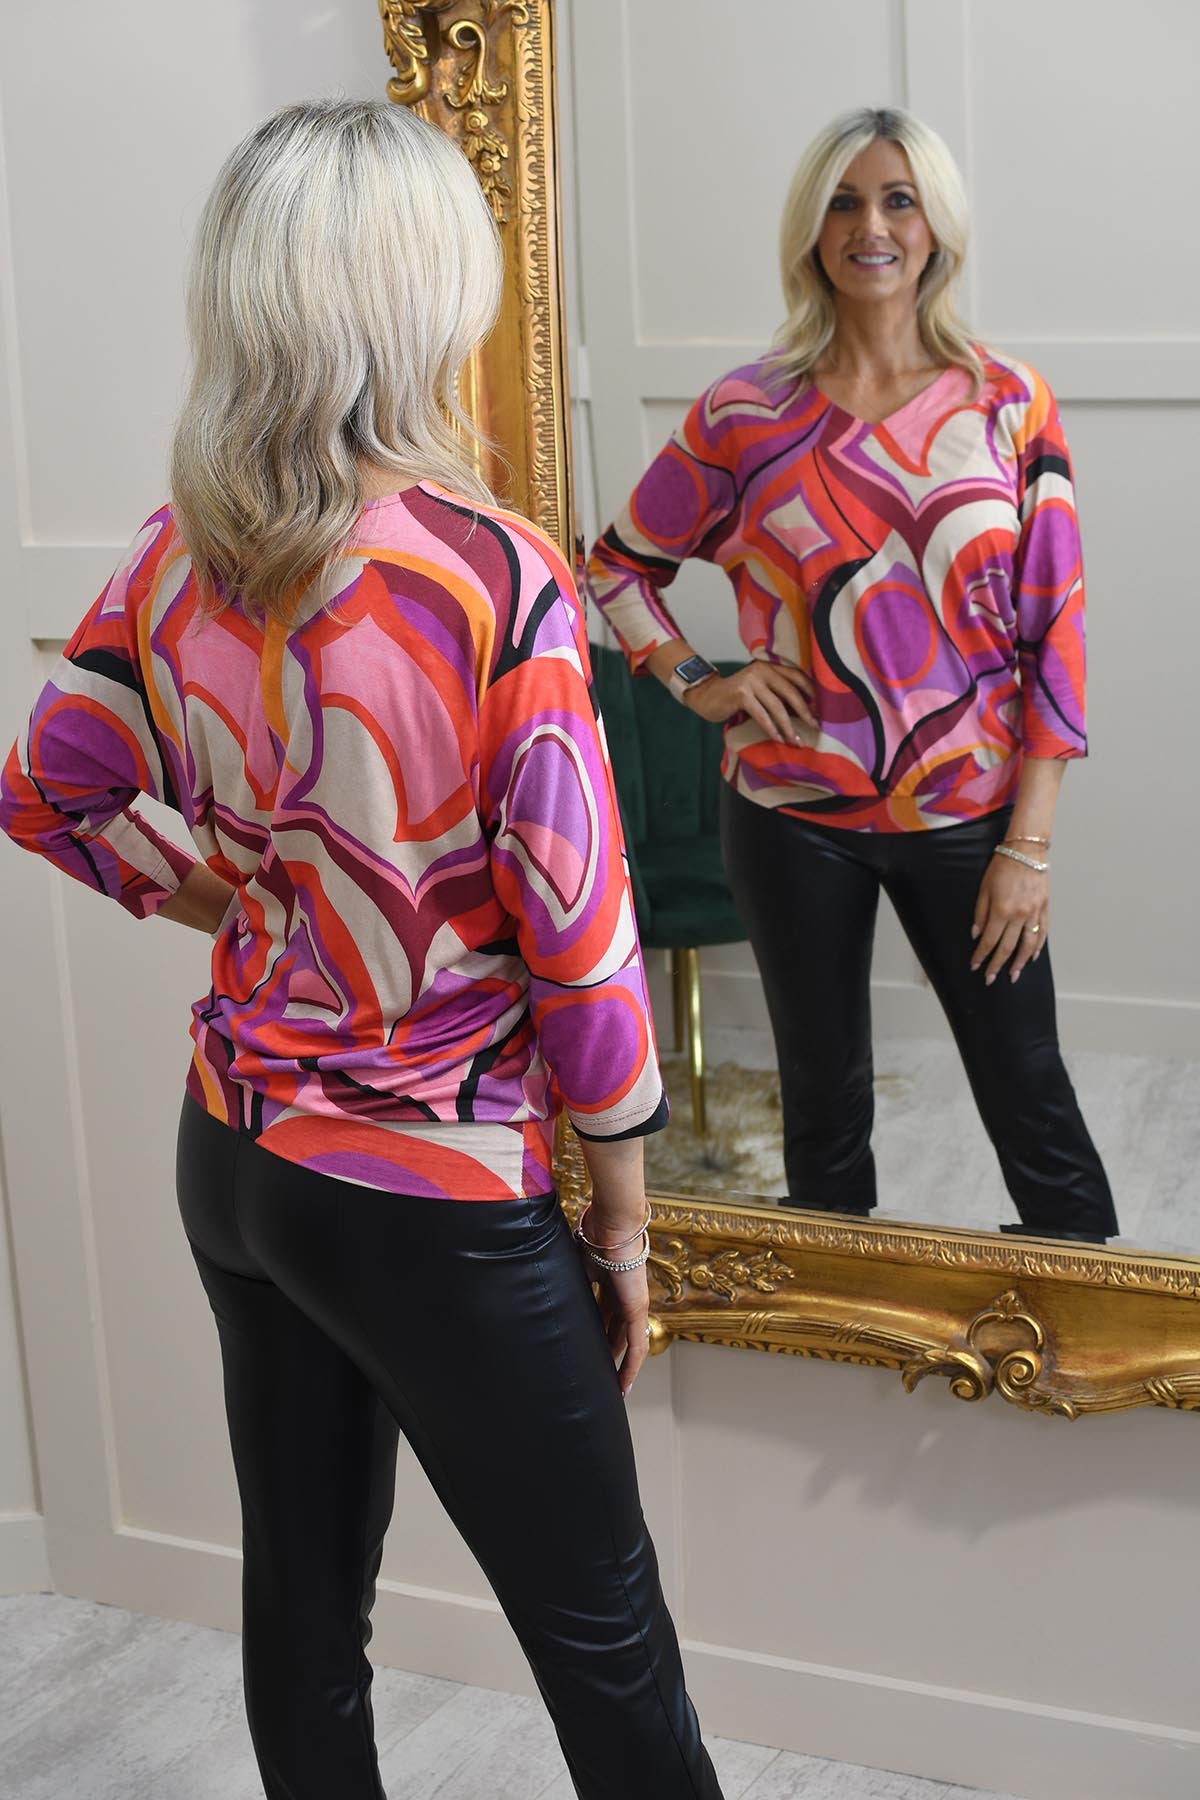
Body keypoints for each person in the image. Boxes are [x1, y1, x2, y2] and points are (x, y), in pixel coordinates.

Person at [0, 100, 725, 1800]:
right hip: (427, 1189)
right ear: (423, 295)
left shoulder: (183, 549)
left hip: (238, 1156)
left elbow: (50, 788)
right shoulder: (491, 577)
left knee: (306, 1612)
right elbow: (581, 940)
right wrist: (624, 1222)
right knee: (610, 1653)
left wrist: (249, 905)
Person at [586, 106, 1117, 1246]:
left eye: (896, 200)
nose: (870, 226)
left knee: (1031, 1098)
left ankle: (1091, 1328)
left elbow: (1055, 633)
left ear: (936, 229)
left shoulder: (1008, 402)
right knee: (824, 1110)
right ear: (811, 231)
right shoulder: (746, 413)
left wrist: (1028, 846)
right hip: (791, 814)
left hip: (969, 816)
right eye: (843, 202)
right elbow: (616, 566)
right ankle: (837, 1336)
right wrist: (699, 681)